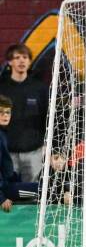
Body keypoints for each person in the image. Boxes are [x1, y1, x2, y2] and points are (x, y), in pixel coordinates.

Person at [0, 44, 49, 182]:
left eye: (25, 57)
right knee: (7, 194)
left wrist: (46, 145)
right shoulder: (2, 87)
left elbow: (48, 117)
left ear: (29, 61)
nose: (21, 61)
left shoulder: (40, 88)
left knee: (32, 194)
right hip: (6, 152)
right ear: (10, 62)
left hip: (34, 151)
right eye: (17, 57)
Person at [0, 95, 38, 212]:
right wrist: (1, 198)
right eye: (1, 112)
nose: (5, 115)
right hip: (4, 190)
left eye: (8, 112)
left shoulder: (2, 134)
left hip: (7, 185)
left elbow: (5, 169)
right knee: (43, 190)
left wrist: (15, 178)